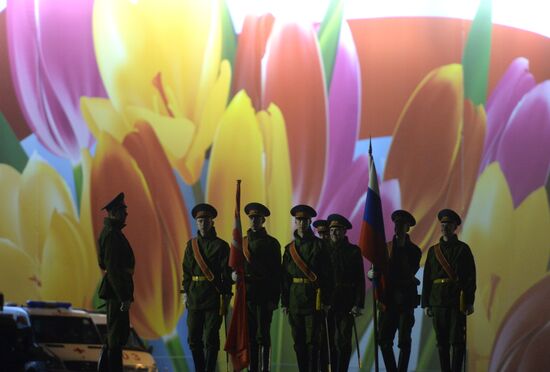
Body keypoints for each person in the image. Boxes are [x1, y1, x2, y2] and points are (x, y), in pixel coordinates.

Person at [422, 209, 476, 372]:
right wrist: (426, 304)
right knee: (441, 343)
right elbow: (427, 279)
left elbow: (470, 277)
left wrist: (469, 301)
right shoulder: (433, 251)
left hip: (456, 301)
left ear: (455, 227)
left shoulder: (463, 249)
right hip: (437, 301)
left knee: (458, 342)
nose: (444, 227)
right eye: (443, 224)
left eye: (448, 224)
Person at [281, 204, 332, 372]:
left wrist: (326, 300)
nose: (301, 223)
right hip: (295, 300)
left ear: (310, 221)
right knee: (299, 343)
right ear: (295, 222)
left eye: (304, 220)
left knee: (313, 343)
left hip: (314, 300)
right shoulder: (289, 249)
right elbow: (285, 278)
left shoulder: (320, 246)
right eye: (298, 220)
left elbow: (327, 276)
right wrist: (285, 302)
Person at [182, 203, 231, 372]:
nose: (203, 223)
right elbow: (186, 272)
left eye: (206, 220)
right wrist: (186, 292)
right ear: (196, 223)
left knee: (211, 337)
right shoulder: (191, 246)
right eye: (200, 220)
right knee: (193, 338)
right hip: (194, 297)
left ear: (212, 222)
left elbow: (226, 274)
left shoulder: (222, 246)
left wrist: (226, 295)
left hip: (213, 297)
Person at [375, 210, 422, 372]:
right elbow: (379, 272)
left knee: (404, 341)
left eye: (402, 225)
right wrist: (372, 275)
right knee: (383, 340)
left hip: (406, 300)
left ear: (408, 228)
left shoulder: (415, 251)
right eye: (396, 224)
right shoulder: (386, 248)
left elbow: (408, 273)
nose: (398, 227)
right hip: (388, 300)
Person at [239, 202, 281, 372]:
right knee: (249, 336)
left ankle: (265, 369)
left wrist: (274, 299)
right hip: (247, 295)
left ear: (263, 220)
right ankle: (252, 368)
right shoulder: (241, 242)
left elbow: (277, 274)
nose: (254, 220)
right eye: (251, 218)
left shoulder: (272, 243)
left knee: (263, 335)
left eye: (257, 218)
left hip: (264, 295)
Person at [97, 192, 135, 372]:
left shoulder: (113, 233)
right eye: (122, 210)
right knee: (115, 337)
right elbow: (112, 269)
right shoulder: (112, 235)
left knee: (116, 335)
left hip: (117, 290)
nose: (125, 214)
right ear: (114, 212)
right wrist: (124, 297)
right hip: (117, 292)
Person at [325, 214, 365, 372]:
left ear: (344, 232)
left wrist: (358, 304)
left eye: (338, 230)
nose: (335, 233)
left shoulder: (353, 251)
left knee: (344, 341)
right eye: (332, 229)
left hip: (346, 301)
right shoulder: (323, 248)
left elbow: (360, 280)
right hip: (327, 300)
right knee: (329, 341)